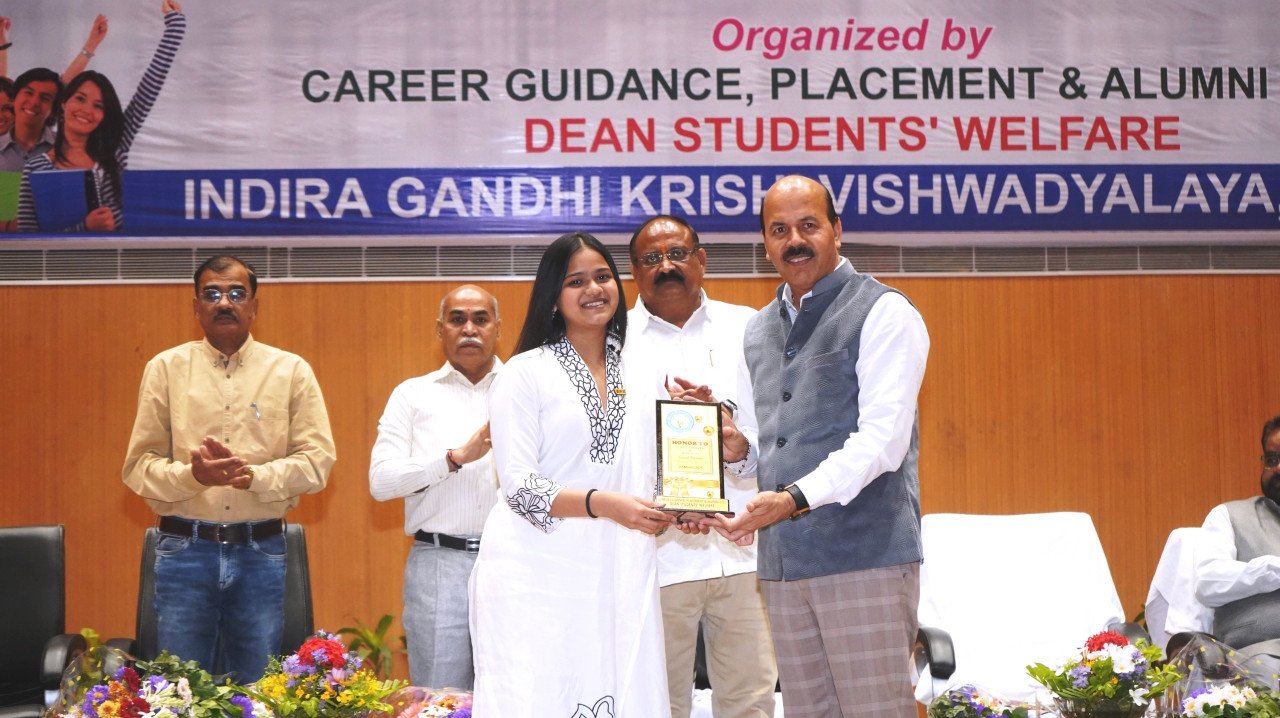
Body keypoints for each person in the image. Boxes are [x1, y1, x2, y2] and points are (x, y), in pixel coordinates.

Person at [709, 175, 930, 717]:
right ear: (765, 244)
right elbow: (767, 445)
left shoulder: (884, 311)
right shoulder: (757, 330)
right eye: (779, 230)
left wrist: (791, 499)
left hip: (865, 559)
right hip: (784, 566)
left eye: (808, 225)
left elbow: (883, 441)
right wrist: (738, 450)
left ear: (837, 230)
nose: (794, 241)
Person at [469, 232, 676, 717]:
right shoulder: (523, 373)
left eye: (603, 277)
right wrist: (604, 503)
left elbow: (657, 471)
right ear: (553, 296)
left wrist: (685, 498)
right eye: (576, 281)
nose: (594, 289)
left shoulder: (644, 370)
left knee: (624, 687)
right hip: (538, 572)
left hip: (621, 563)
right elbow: (519, 487)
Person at [121, 254, 336, 682]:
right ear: (196, 306)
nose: (225, 303)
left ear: (254, 306)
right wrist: (192, 477)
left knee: (257, 690)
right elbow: (138, 468)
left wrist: (254, 477)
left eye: (237, 293)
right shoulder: (165, 368)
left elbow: (317, 462)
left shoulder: (290, 371)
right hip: (184, 550)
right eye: (212, 294)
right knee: (180, 692)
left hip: (260, 551)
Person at [623, 215, 777, 718]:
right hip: (655, 556)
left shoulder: (750, 327)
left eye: (677, 253)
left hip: (743, 549)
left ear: (702, 260)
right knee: (656, 704)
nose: (666, 266)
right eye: (651, 258)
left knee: (750, 702)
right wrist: (672, 497)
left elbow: (777, 428)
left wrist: (738, 444)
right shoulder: (612, 340)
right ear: (634, 271)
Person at [369, 284, 503, 690]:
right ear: (440, 329)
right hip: (439, 562)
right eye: (457, 319)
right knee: (438, 697)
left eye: (481, 319)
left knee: (512, 691)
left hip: (512, 559)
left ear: (498, 328)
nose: (469, 329)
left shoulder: (526, 389)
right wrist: (453, 459)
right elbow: (381, 481)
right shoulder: (412, 395)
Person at [17, 1, 182, 232]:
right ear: (63, 104)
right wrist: (85, 227)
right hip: (58, 258)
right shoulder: (36, 168)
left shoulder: (115, 150)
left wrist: (175, 27)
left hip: (118, 256)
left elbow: (149, 88)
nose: (86, 110)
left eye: (98, 105)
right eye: (80, 99)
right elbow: (27, 239)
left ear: (104, 115)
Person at [1194, 415, 1280, 671]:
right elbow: (1208, 583)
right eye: (1272, 459)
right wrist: (1273, 569)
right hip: (1261, 653)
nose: (1278, 468)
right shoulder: (1229, 515)